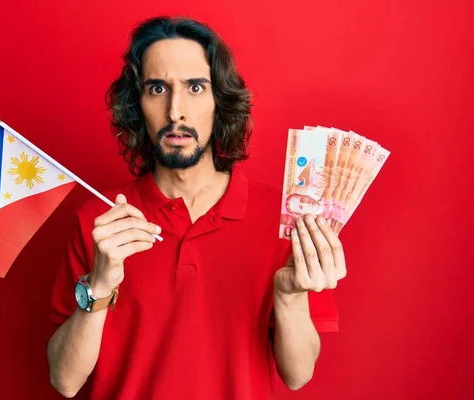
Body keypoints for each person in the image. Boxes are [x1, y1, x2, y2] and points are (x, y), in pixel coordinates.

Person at [47, 15, 347, 399]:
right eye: (157, 88)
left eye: (195, 87)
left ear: (219, 100)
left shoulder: (284, 217)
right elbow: (65, 381)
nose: (176, 112)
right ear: (137, 104)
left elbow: (299, 374)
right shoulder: (99, 223)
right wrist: (99, 286)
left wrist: (290, 295)